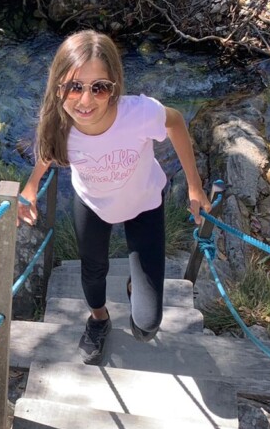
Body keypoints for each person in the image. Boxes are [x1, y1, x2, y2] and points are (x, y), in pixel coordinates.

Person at [18, 30, 210, 365]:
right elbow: (48, 154)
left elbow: (176, 122)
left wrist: (194, 186)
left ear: (115, 87)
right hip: (92, 204)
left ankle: (136, 286)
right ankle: (99, 320)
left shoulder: (139, 114)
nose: (86, 100)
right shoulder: (59, 123)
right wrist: (31, 186)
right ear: (58, 87)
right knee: (93, 272)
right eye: (74, 86)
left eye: (99, 87)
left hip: (145, 203)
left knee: (147, 324)